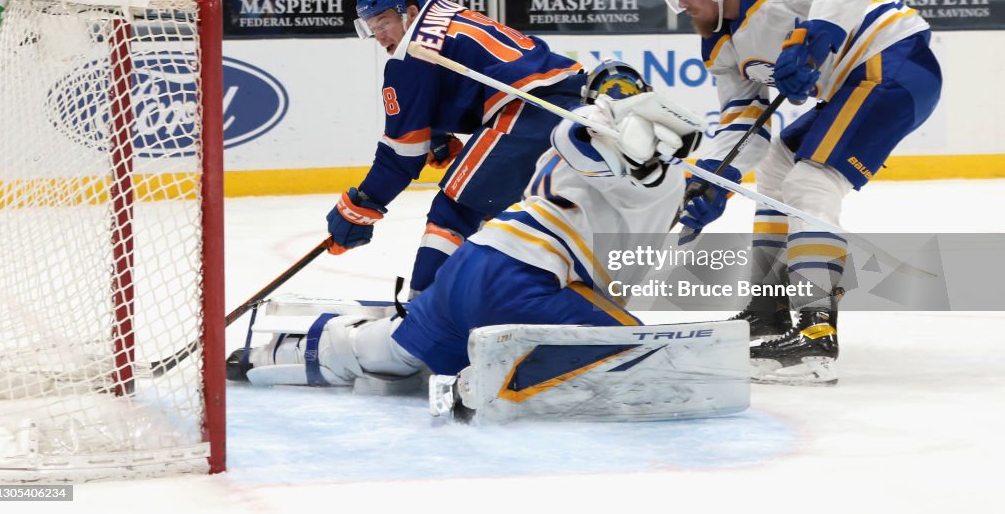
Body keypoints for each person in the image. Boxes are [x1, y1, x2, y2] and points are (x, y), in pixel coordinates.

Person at [228, 61, 706, 388]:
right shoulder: (602, 145)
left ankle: (281, 353)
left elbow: (594, 156)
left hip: (473, 263)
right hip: (525, 282)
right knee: (641, 356)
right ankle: (487, 383)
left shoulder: (580, 150)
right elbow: (584, 142)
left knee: (391, 352)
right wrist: (659, 163)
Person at [661, 0, 942, 384]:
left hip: (892, 59)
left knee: (810, 183)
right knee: (776, 166)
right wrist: (713, 177)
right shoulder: (719, 44)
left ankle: (816, 333)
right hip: (856, 82)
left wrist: (816, 35)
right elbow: (743, 123)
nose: (683, 5)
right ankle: (770, 308)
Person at [325, 0, 590, 298]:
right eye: (371, 28)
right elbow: (463, 77)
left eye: (383, 24)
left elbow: (400, 157)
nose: (379, 37)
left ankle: (424, 312)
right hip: (576, 104)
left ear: (408, 12)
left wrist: (359, 208)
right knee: (515, 213)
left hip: (528, 112)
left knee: (455, 211)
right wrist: (434, 132)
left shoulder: (412, 54)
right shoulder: (443, 12)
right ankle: (533, 296)